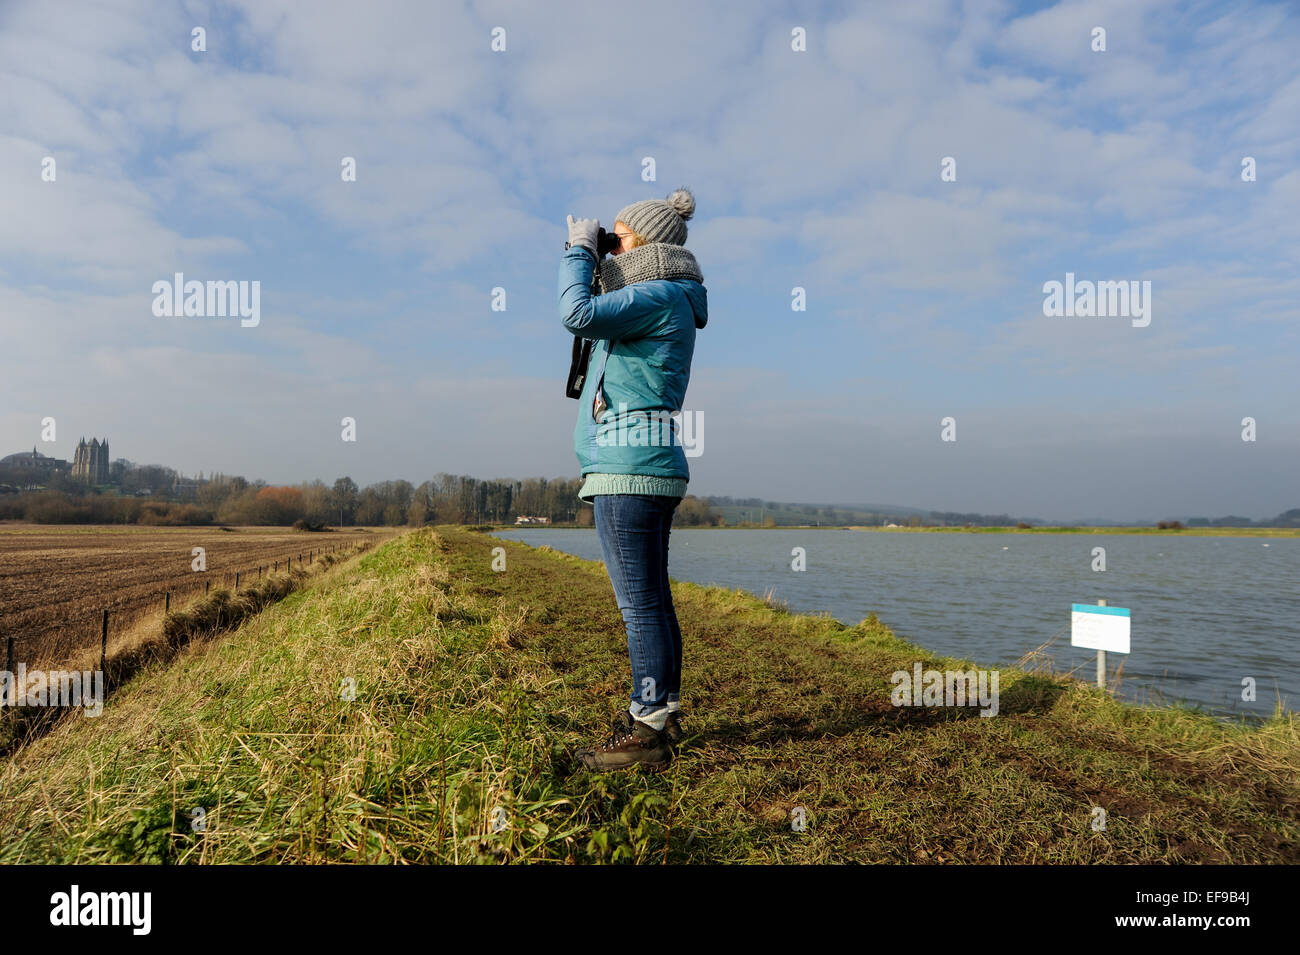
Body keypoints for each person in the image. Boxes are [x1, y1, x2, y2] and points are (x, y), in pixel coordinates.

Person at [558, 187, 708, 771]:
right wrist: (596, 265)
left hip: (629, 470)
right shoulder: (658, 296)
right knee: (652, 601)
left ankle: (645, 733)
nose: (608, 248)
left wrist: (576, 254)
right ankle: (661, 713)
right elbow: (591, 326)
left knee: (639, 605)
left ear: (644, 244)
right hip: (641, 466)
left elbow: (576, 313)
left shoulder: (662, 295)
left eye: (617, 239)